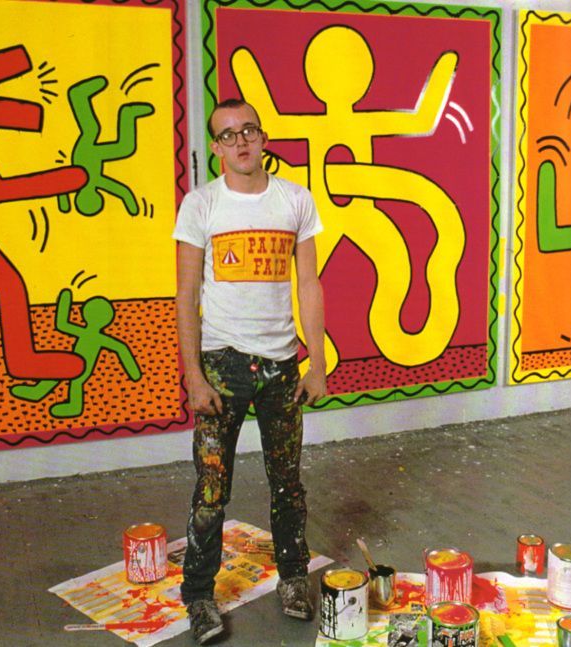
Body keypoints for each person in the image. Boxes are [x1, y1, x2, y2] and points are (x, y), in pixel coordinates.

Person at [173, 98, 326, 645]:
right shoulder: (202, 205)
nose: (240, 141)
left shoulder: (295, 200)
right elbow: (186, 293)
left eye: (249, 131)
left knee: (288, 484)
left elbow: (309, 284)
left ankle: (291, 578)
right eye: (228, 134)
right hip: (221, 366)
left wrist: (317, 361)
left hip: (283, 368)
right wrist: (193, 375)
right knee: (212, 489)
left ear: (263, 138)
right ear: (215, 148)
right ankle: (198, 596)